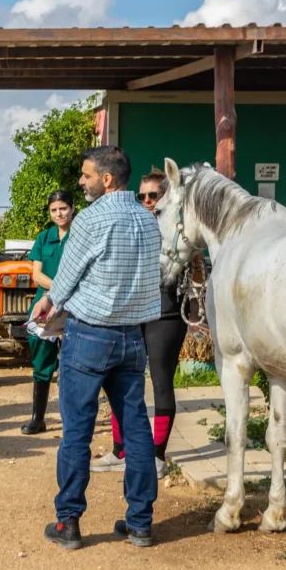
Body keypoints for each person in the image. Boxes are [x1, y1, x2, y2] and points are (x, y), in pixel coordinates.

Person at [32, 145, 161, 550]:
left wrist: (47, 303)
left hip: (89, 336)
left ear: (107, 179)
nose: (81, 182)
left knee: (77, 430)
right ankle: (140, 523)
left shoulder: (89, 220)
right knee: (137, 430)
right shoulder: (148, 220)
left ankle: (68, 522)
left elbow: (66, 277)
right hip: (132, 337)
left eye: (86, 175)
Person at [92, 169, 189, 478]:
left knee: (161, 384)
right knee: (120, 384)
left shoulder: (176, 228)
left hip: (165, 314)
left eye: (153, 195)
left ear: (165, 196)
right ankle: (121, 451)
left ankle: (157, 457)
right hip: (132, 314)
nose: (147, 201)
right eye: (142, 195)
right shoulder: (132, 223)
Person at [20, 190, 75, 436]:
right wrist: (58, 289)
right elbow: (37, 274)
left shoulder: (80, 236)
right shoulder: (44, 238)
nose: (59, 213)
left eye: (63, 208)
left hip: (74, 305)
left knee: (73, 363)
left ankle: (72, 421)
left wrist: (63, 292)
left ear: (72, 208)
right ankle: (37, 418)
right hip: (45, 305)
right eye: (54, 210)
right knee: (41, 360)